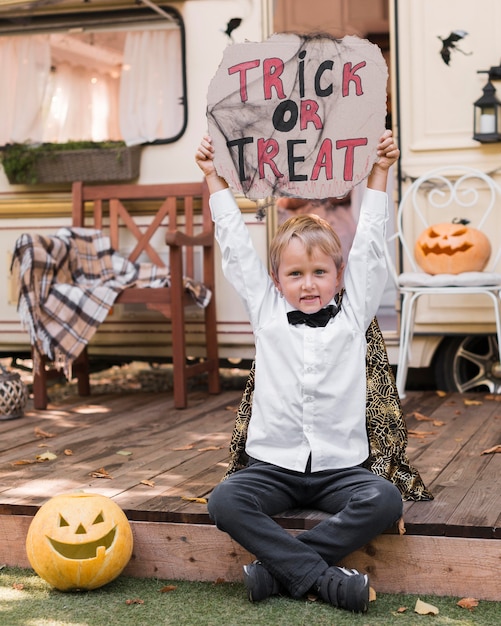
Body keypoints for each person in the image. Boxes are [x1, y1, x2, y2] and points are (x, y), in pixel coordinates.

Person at [195, 131, 402, 614]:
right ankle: (324, 580)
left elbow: (370, 242)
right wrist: (213, 178)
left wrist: (380, 172)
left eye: (318, 273)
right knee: (224, 501)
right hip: (273, 469)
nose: (308, 284)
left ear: (338, 274)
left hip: (340, 471)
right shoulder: (266, 313)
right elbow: (235, 248)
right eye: (294, 274)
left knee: (385, 499)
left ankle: (279, 571)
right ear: (276, 281)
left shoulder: (353, 316)